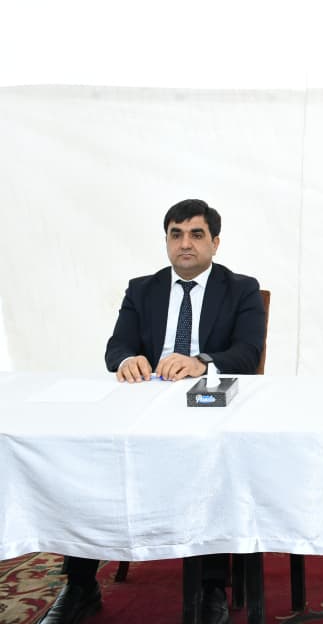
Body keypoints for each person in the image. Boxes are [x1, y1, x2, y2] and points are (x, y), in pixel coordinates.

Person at [43, 199, 266, 624]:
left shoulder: (241, 288)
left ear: (215, 242)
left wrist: (201, 362)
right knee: (90, 456)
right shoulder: (142, 289)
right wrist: (129, 360)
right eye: (175, 235)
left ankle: (211, 587)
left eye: (196, 234)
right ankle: (81, 584)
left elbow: (248, 353)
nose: (185, 244)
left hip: (204, 404)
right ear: (166, 241)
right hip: (146, 401)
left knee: (211, 460)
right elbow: (117, 347)